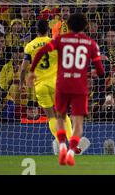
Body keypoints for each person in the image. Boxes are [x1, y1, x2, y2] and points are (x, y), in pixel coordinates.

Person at [27, 13, 105, 166]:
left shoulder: (60, 40)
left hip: (60, 84)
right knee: (77, 122)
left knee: (57, 117)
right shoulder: (91, 43)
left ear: (68, 26)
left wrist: (31, 72)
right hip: (77, 85)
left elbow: (42, 52)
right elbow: (101, 72)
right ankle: (71, 151)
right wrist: (90, 73)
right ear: (85, 26)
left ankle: (61, 145)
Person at [20, 19, 75, 151]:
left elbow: (23, 69)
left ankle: (60, 143)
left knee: (50, 116)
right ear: (47, 29)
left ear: (36, 30)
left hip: (40, 86)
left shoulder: (29, 46)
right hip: (57, 84)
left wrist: (22, 83)